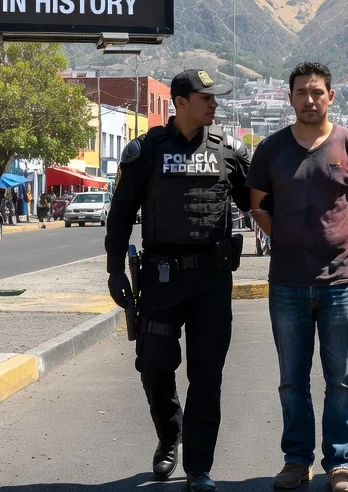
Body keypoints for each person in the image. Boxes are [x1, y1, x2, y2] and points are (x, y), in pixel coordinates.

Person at [104, 69, 252, 492]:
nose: (215, 105)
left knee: (207, 376)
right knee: (154, 365)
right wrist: (115, 269)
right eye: (207, 98)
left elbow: (261, 205)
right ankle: (170, 436)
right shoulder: (146, 151)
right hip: (162, 280)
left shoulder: (231, 153)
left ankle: (199, 467)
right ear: (181, 101)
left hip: (211, 281)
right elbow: (119, 215)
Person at [247, 62, 348, 492]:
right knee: (292, 379)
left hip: (341, 283)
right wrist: (286, 239)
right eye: (301, 92)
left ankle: (339, 465)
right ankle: (296, 460)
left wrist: (346, 241)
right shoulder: (270, 150)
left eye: (317, 92)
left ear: (331, 96)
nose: (309, 99)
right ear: (290, 98)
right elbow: (258, 207)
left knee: (341, 378)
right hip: (287, 282)